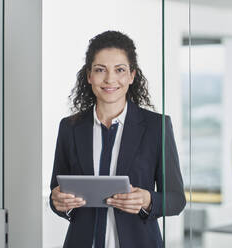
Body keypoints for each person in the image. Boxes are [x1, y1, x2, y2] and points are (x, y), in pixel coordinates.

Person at [49, 30, 186, 248]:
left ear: (132, 75)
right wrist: (58, 202)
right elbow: (56, 193)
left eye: (120, 70)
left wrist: (147, 200)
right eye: (100, 70)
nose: (110, 79)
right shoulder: (70, 127)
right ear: (89, 76)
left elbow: (176, 200)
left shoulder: (155, 126)